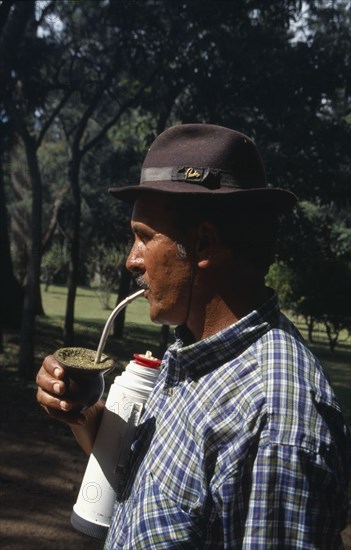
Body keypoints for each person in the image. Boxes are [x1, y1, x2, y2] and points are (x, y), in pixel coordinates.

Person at [36, 123, 350, 548]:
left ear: (202, 244)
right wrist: (87, 415)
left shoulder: (273, 422)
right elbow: (155, 485)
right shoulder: (194, 356)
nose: (131, 260)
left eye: (144, 238)